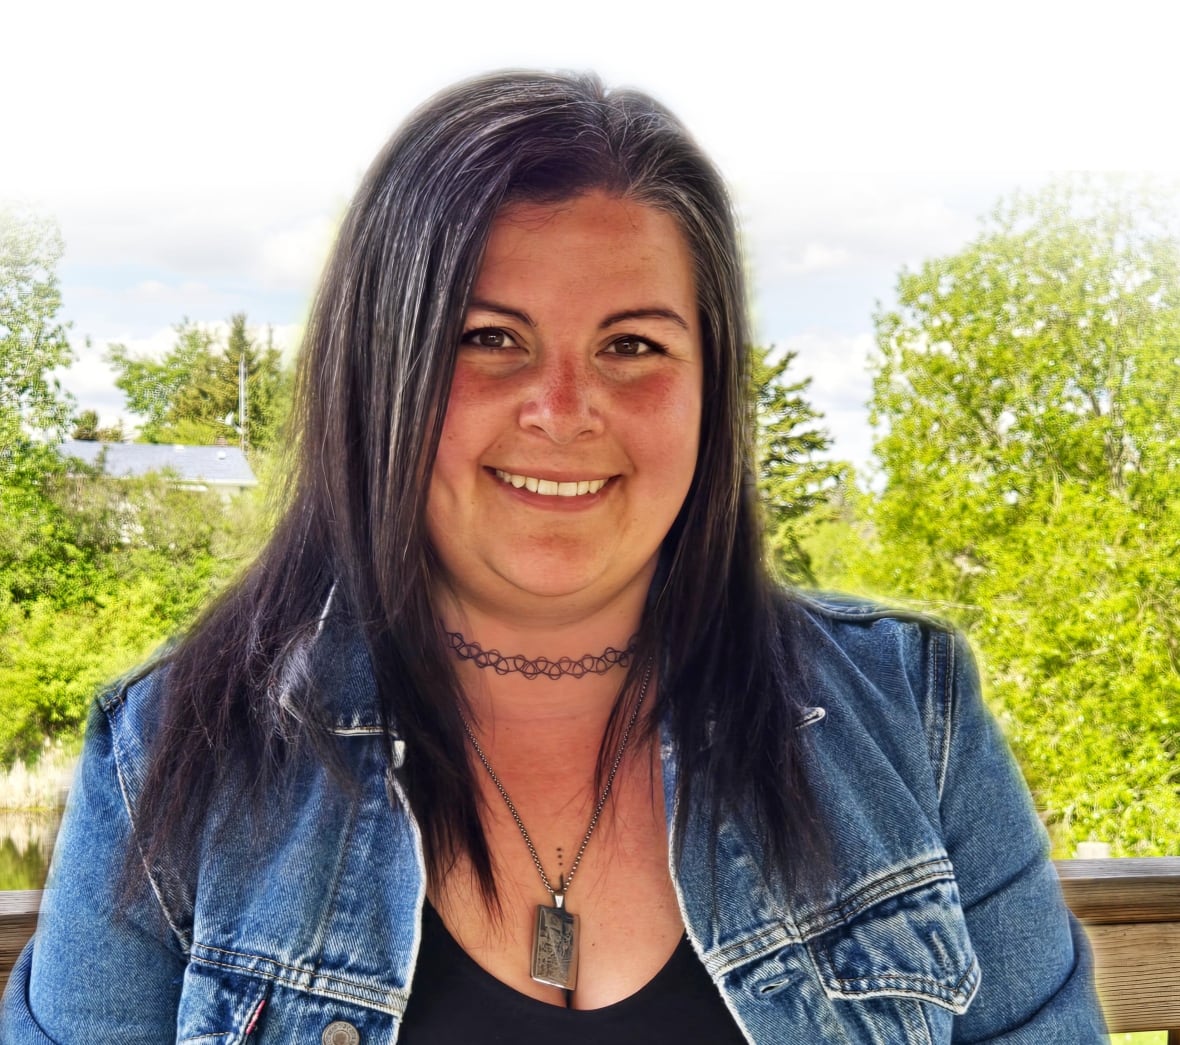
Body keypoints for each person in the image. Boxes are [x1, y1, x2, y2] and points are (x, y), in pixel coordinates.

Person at [1, 71, 1106, 1043]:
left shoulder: (912, 715)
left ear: (710, 385)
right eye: (489, 339)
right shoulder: (170, 755)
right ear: (378, 373)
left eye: (633, 345)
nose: (563, 409)